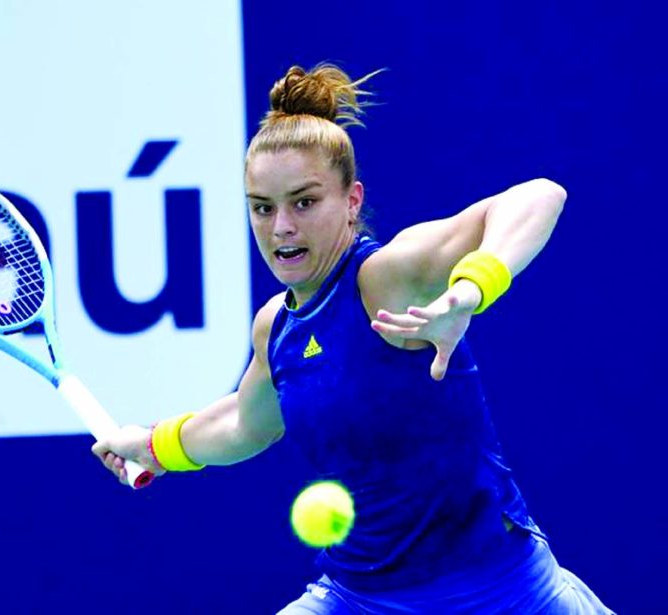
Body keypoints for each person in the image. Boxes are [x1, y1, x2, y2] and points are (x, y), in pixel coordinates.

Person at [92, 64, 612, 614]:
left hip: (505, 593)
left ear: (352, 201)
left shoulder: (387, 278)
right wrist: (153, 447)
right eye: (262, 208)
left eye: (304, 202)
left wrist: (469, 291)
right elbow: (246, 422)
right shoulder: (277, 328)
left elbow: (539, 196)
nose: (281, 227)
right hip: (359, 599)